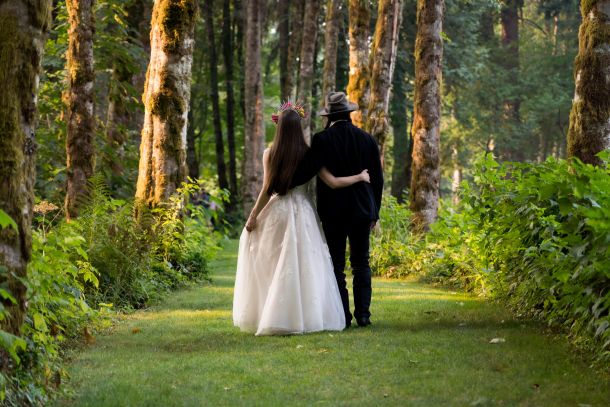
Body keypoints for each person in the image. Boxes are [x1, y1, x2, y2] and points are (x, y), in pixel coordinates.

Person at [233, 103, 371, 336]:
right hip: (304, 214)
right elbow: (334, 182)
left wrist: (253, 216)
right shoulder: (310, 155)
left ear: (279, 128)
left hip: (279, 212)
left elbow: (267, 190)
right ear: (299, 128)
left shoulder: (270, 154)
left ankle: (275, 314)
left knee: (276, 266)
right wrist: (359, 176)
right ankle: (307, 316)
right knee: (306, 267)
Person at [291, 91, 383, 328]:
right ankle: (363, 314)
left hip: (334, 212)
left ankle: (343, 315)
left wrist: (281, 182)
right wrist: (376, 212)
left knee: (337, 266)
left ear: (329, 116)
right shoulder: (367, 139)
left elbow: (305, 171)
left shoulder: (322, 140)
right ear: (349, 114)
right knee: (362, 262)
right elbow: (378, 180)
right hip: (363, 209)